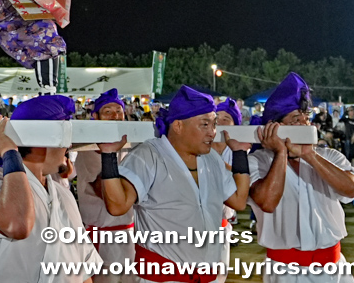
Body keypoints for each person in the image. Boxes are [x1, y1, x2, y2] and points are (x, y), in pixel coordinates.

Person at [99, 86, 251, 282]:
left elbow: (238, 201)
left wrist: (239, 154)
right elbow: (117, 205)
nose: (212, 132)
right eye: (204, 124)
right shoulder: (149, 154)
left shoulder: (211, 159)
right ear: (178, 126)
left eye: (213, 125)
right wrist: (108, 156)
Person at [0, 95, 99, 282]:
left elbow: (82, 269)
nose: (67, 147)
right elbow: (17, 225)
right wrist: (9, 152)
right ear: (39, 143)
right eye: (61, 138)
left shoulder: (62, 195)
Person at [248, 73, 354, 283]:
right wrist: (281, 153)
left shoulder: (328, 155)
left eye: (306, 118)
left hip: (334, 269)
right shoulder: (258, 161)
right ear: (275, 126)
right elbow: (266, 202)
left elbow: (353, 190)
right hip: (285, 271)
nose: (304, 125)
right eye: (295, 119)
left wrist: (310, 155)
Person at [75, 89, 134, 283]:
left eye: (119, 111)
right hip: (103, 234)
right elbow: (105, 189)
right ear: (95, 116)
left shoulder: (128, 145)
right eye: (108, 111)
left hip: (128, 232)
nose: (115, 115)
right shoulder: (90, 147)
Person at [210, 98, 244, 283]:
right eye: (217, 118)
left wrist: (217, 163)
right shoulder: (200, 146)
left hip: (222, 223)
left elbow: (240, 179)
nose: (220, 122)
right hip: (192, 223)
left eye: (226, 119)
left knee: (218, 276)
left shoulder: (238, 150)